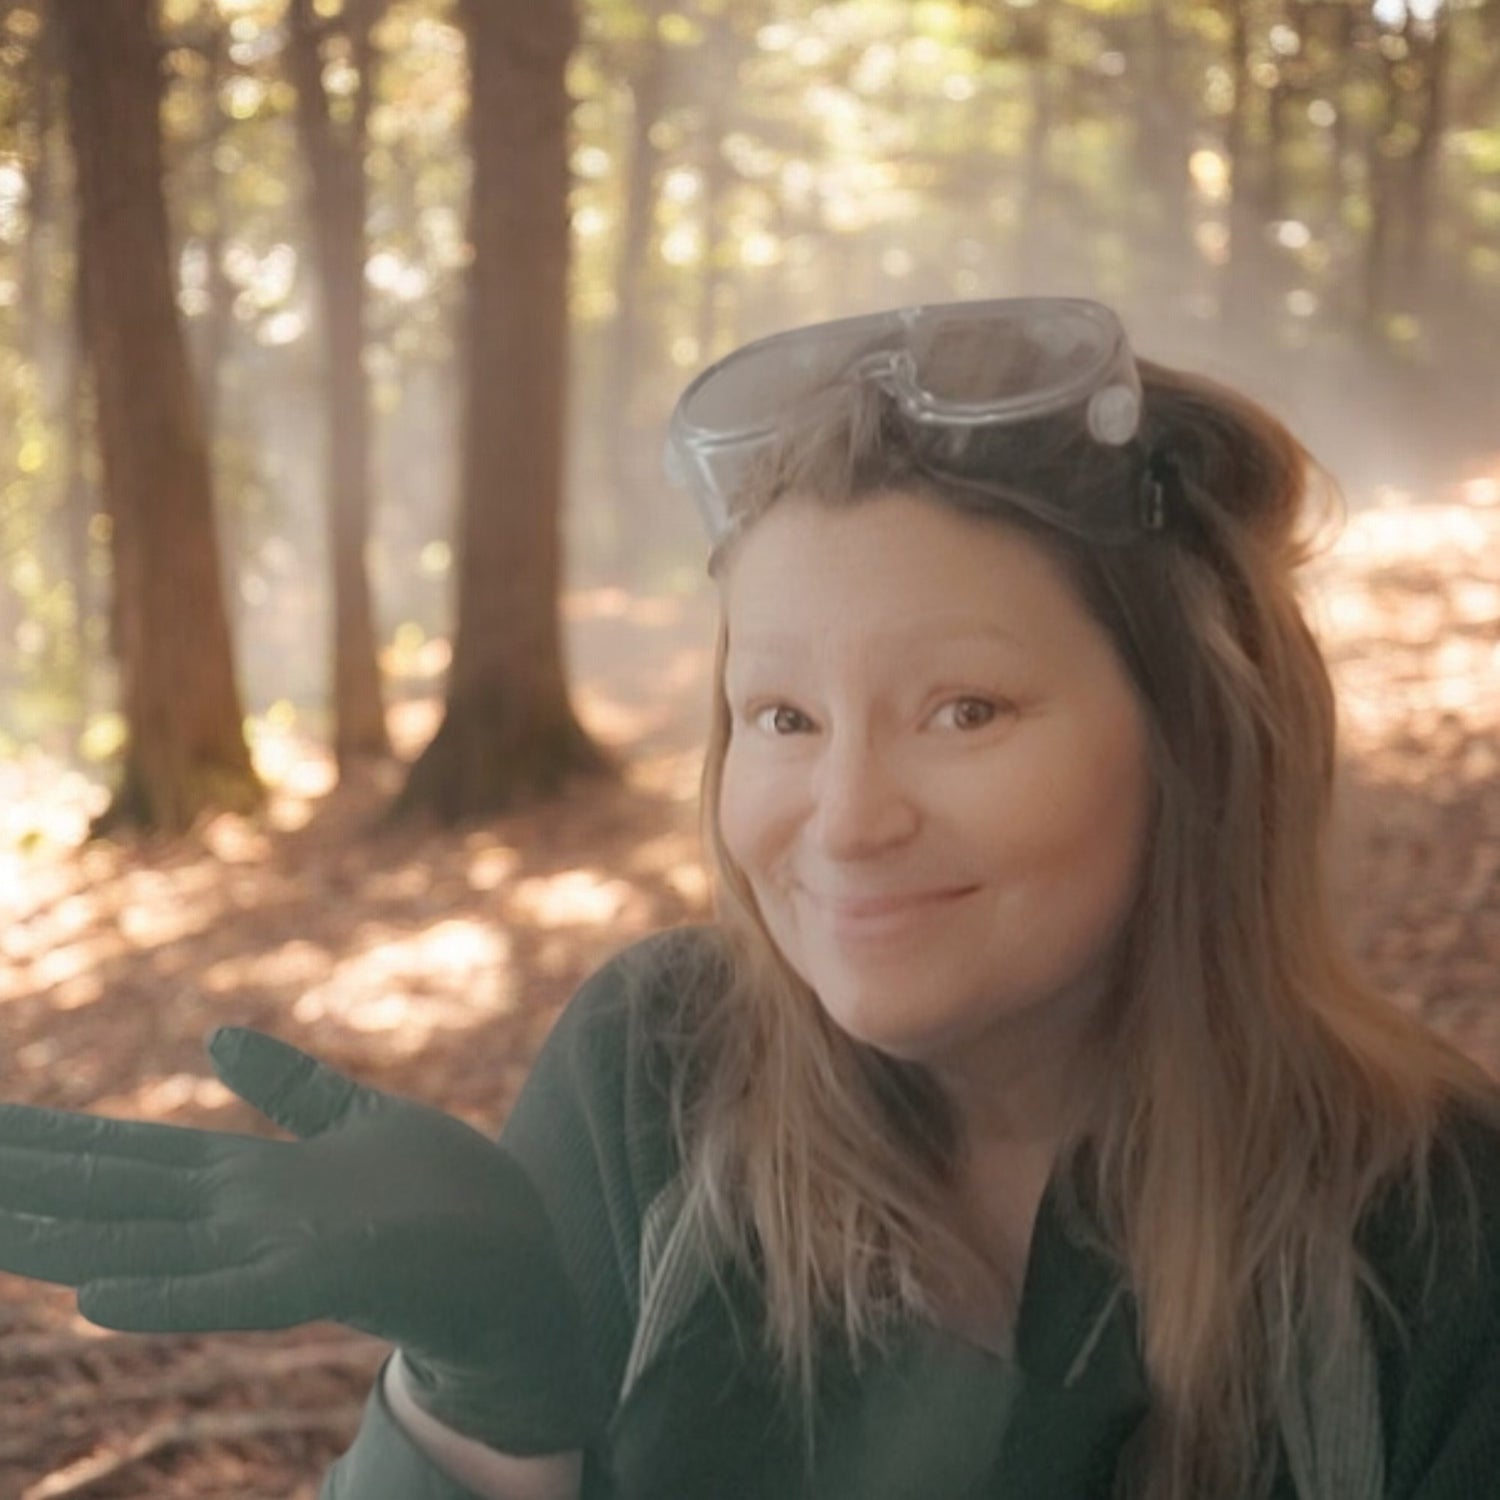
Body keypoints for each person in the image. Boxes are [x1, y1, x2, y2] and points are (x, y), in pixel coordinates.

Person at [1, 297, 1498, 1500]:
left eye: (964, 709)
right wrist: (470, 1417)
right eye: (781, 718)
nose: (846, 820)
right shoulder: (657, 1075)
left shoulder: (1436, 1233)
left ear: (1198, 741)